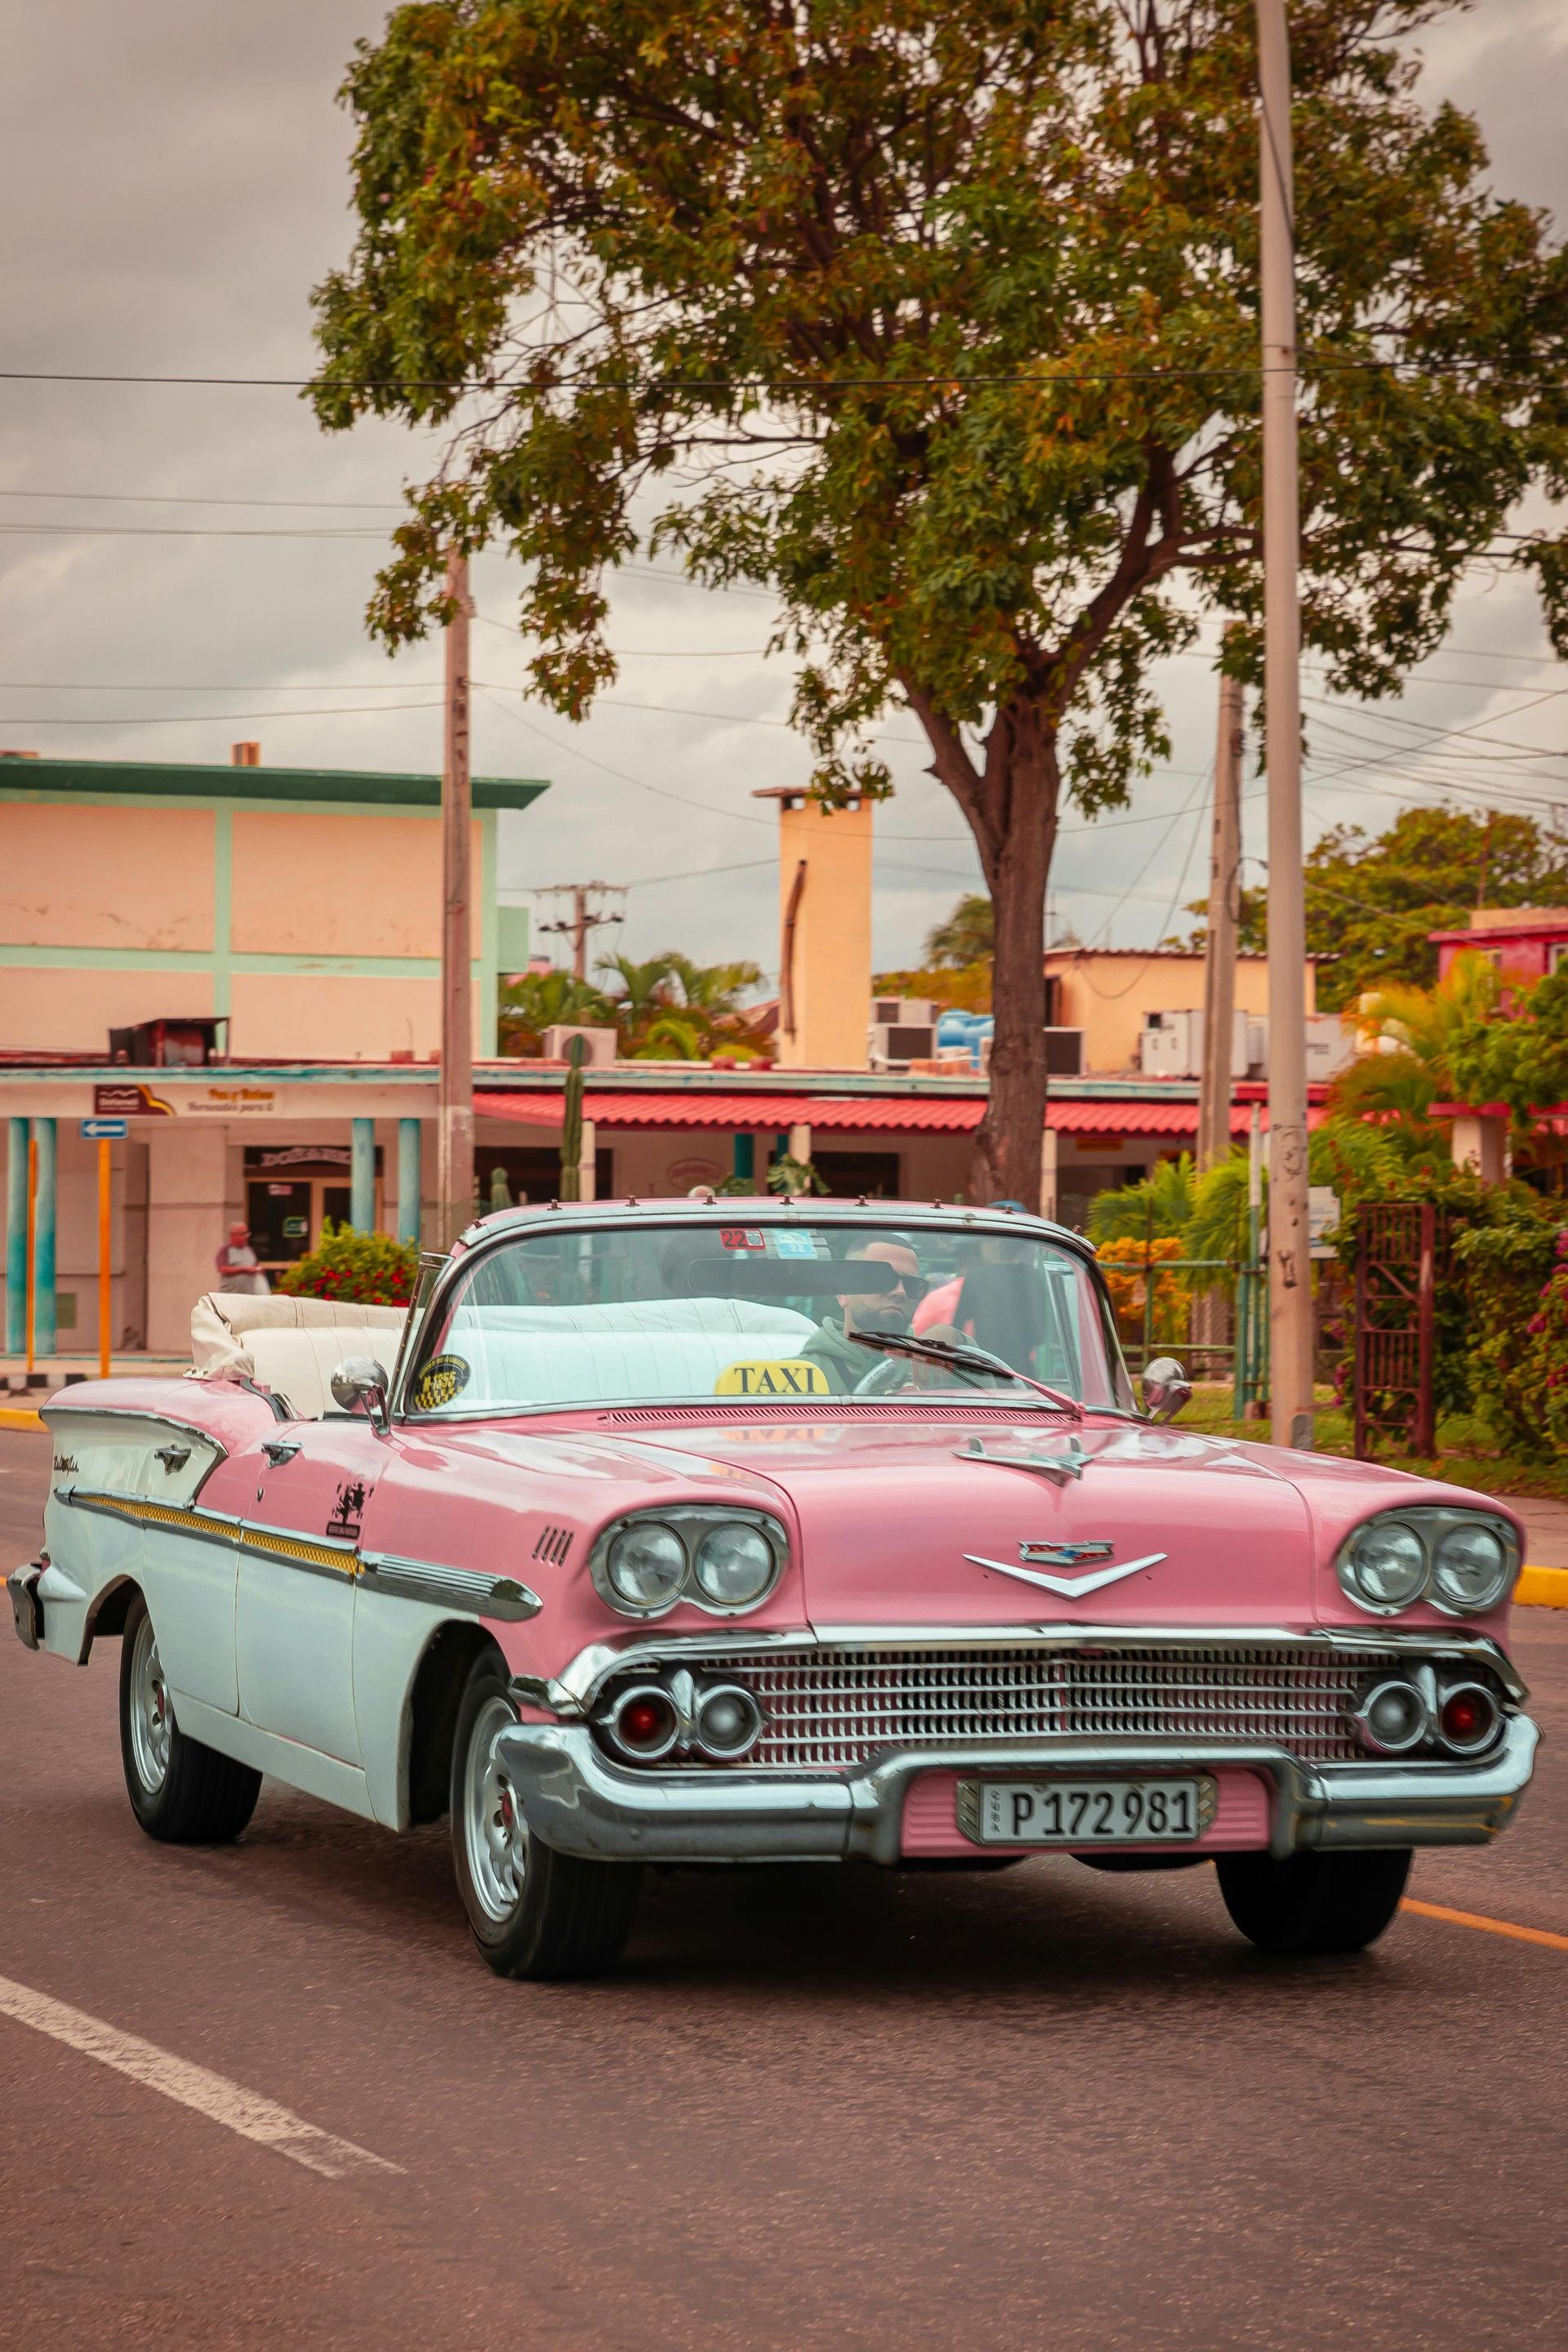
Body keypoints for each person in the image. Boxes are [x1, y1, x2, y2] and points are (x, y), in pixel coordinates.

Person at [799, 1239, 924, 1392]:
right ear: (844, 1292)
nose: (901, 1292)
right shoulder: (797, 1376)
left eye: (912, 1285)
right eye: (882, 1278)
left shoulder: (933, 1365)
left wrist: (956, 1339)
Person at [214, 1223, 270, 1295]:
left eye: (247, 1233)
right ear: (233, 1235)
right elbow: (222, 1269)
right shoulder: (225, 1250)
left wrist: (259, 1270)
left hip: (249, 1295)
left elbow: (256, 1266)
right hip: (230, 1296)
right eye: (243, 1233)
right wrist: (245, 1269)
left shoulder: (250, 1250)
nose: (247, 1236)